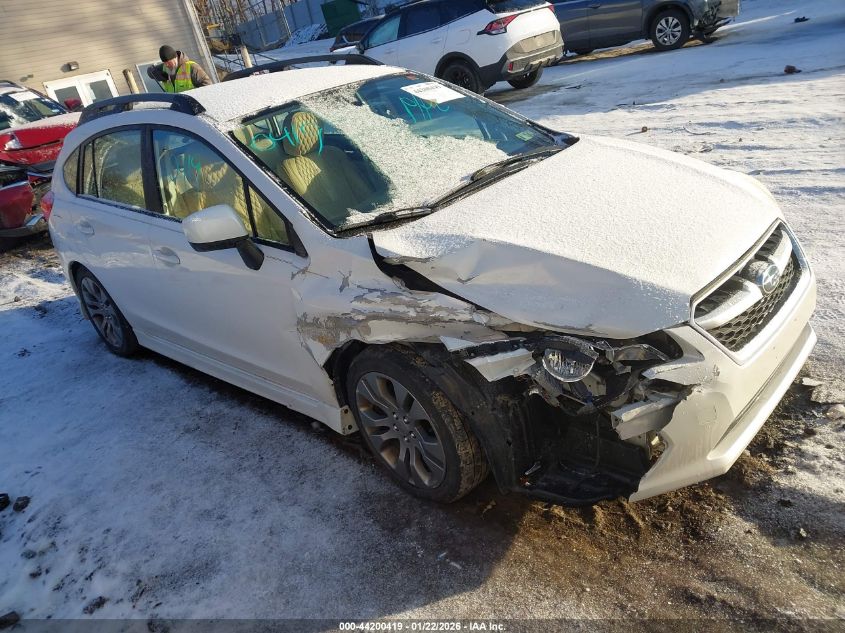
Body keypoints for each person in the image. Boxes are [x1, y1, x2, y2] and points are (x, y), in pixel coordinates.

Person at [147, 45, 211, 93]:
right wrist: (152, 72)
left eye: (168, 62)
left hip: (193, 107)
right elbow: (151, 71)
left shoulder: (192, 67)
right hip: (176, 108)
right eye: (164, 63)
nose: (166, 65)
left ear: (175, 58)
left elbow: (208, 87)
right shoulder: (164, 68)